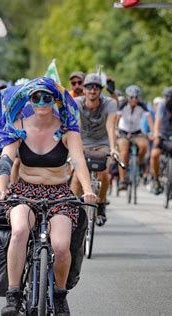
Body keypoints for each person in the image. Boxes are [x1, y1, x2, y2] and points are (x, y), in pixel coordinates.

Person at [0, 77, 97, 316]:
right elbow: (5, 160)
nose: (42, 102)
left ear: (55, 100)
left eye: (47, 97)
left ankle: (60, 294)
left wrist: (87, 190)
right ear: (29, 100)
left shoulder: (67, 129)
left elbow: (78, 161)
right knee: (20, 231)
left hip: (59, 194)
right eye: (36, 97)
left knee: (61, 245)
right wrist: (2, 187)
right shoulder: (19, 125)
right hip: (24, 192)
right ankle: (13, 296)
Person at [71, 73, 119, 226]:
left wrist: (113, 148)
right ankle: (70, 210)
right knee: (77, 178)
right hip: (82, 142)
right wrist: (72, 149)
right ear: (84, 89)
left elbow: (111, 126)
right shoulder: (76, 102)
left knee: (104, 173)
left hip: (102, 143)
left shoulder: (109, 103)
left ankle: (101, 203)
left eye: (96, 87)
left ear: (101, 90)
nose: (92, 90)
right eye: (89, 87)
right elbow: (74, 127)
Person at [116, 85, 153, 191]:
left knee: (144, 146)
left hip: (137, 132)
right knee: (123, 153)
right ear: (128, 97)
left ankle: (139, 162)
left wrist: (152, 132)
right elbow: (117, 118)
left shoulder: (142, 105)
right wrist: (115, 129)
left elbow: (149, 118)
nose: (134, 100)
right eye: (131, 97)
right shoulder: (123, 105)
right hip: (123, 131)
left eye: (136, 97)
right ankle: (123, 180)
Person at [150, 88, 172, 194]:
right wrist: (156, 136)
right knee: (154, 155)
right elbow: (157, 121)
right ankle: (156, 179)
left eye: (167, 97)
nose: (165, 99)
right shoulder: (162, 105)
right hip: (163, 134)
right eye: (164, 97)